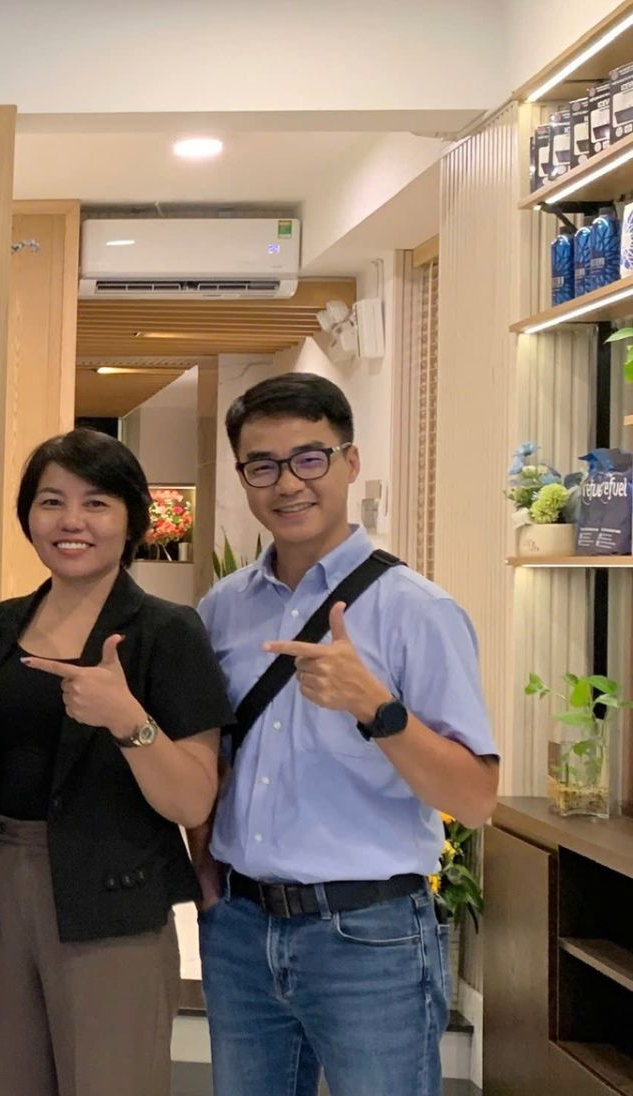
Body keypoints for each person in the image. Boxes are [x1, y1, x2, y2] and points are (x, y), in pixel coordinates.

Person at [193, 372, 499, 1096]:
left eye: (310, 458)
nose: (288, 483)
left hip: (370, 936)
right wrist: (205, 875)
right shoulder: (221, 610)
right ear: (242, 476)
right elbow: (210, 762)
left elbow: (476, 798)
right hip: (240, 930)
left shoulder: (417, 610)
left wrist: (378, 709)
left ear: (350, 462)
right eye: (262, 465)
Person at [0, 429, 229, 1096]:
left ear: (131, 519)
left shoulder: (167, 631)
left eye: (96, 503)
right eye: (52, 502)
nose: (72, 521)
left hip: (114, 904)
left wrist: (129, 720)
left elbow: (193, 800)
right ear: (28, 516)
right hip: (4, 895)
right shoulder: (0, 625)